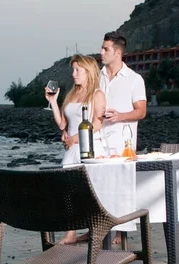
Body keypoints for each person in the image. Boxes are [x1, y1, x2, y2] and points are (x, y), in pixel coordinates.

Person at [45, 54, 106, 244]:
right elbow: (63, 123)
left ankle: (94, 229)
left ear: (88, 72)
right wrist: (53, 102)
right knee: (67, 190)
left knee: (89, 190)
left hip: (89, 146)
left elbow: (97, 124)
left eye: (77, 70)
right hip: (70, 149)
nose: (73, 74)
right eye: (73, 69)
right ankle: (71, 232)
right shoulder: (71, 94)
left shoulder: (97, 94)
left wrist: (74, 138)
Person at [99, 31, 147, 244]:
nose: (101, 52)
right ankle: (99, 227)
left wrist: (120, 116)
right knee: (99, 185)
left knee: (121, 185)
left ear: (117, 52)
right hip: (98, 139)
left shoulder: (134, 79)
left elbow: (141, 111)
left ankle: (122, 230)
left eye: (105, 49)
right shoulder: (97, 77)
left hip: (122, 140)